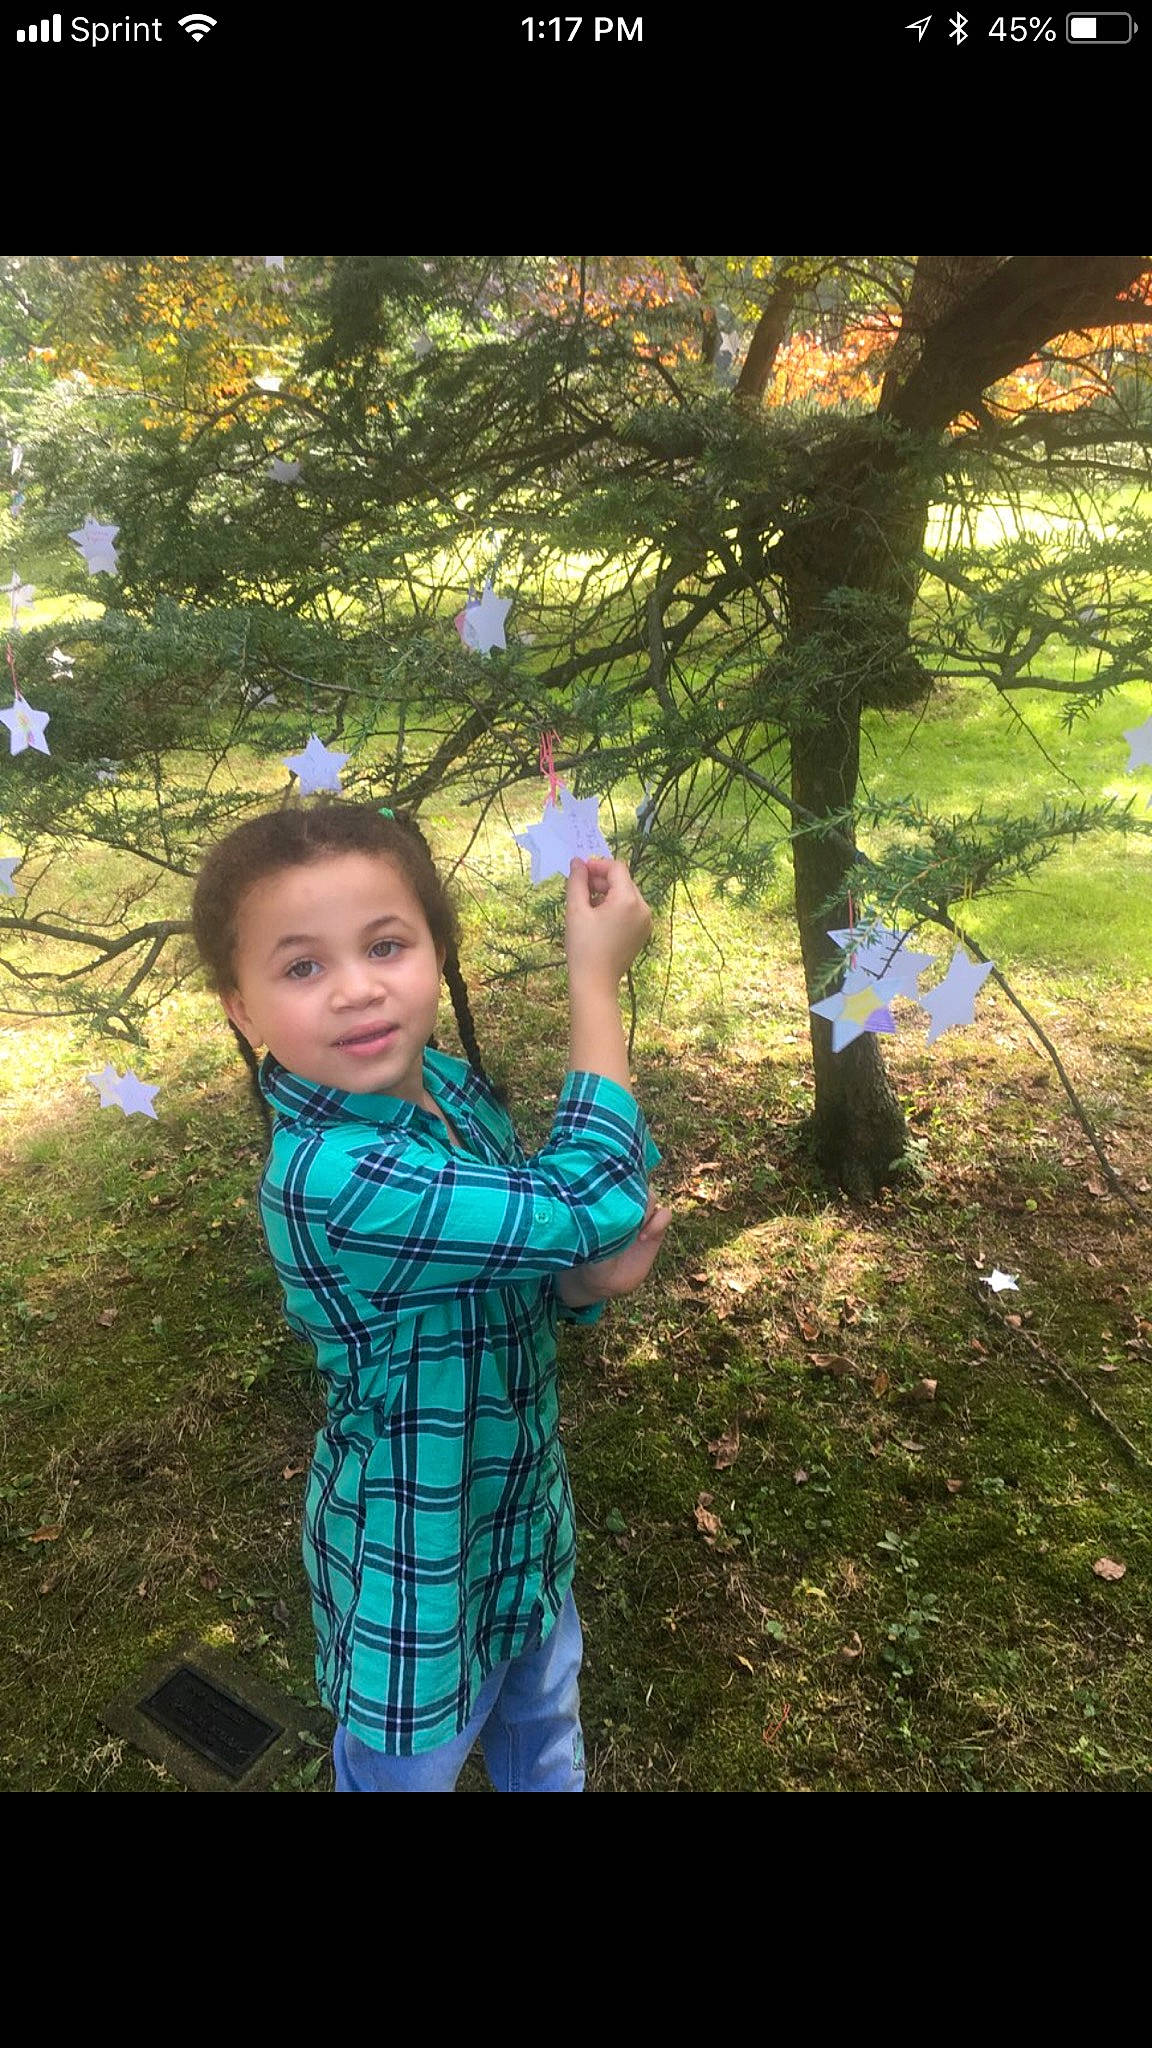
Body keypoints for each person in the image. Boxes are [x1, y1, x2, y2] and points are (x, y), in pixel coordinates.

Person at [191, 799, 670, 1792]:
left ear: (437, 950)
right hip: (418, 1572)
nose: (358, 990)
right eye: (302, 965)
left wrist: (578, 1283)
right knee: (407, 1773)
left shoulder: (447, 1088)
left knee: (544, 1734)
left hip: (520, 1523)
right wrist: (595, 975)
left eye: (385, 944)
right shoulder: (333, 1177)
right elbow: (589, 1194)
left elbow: (520, 1261)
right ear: (241, 1007)